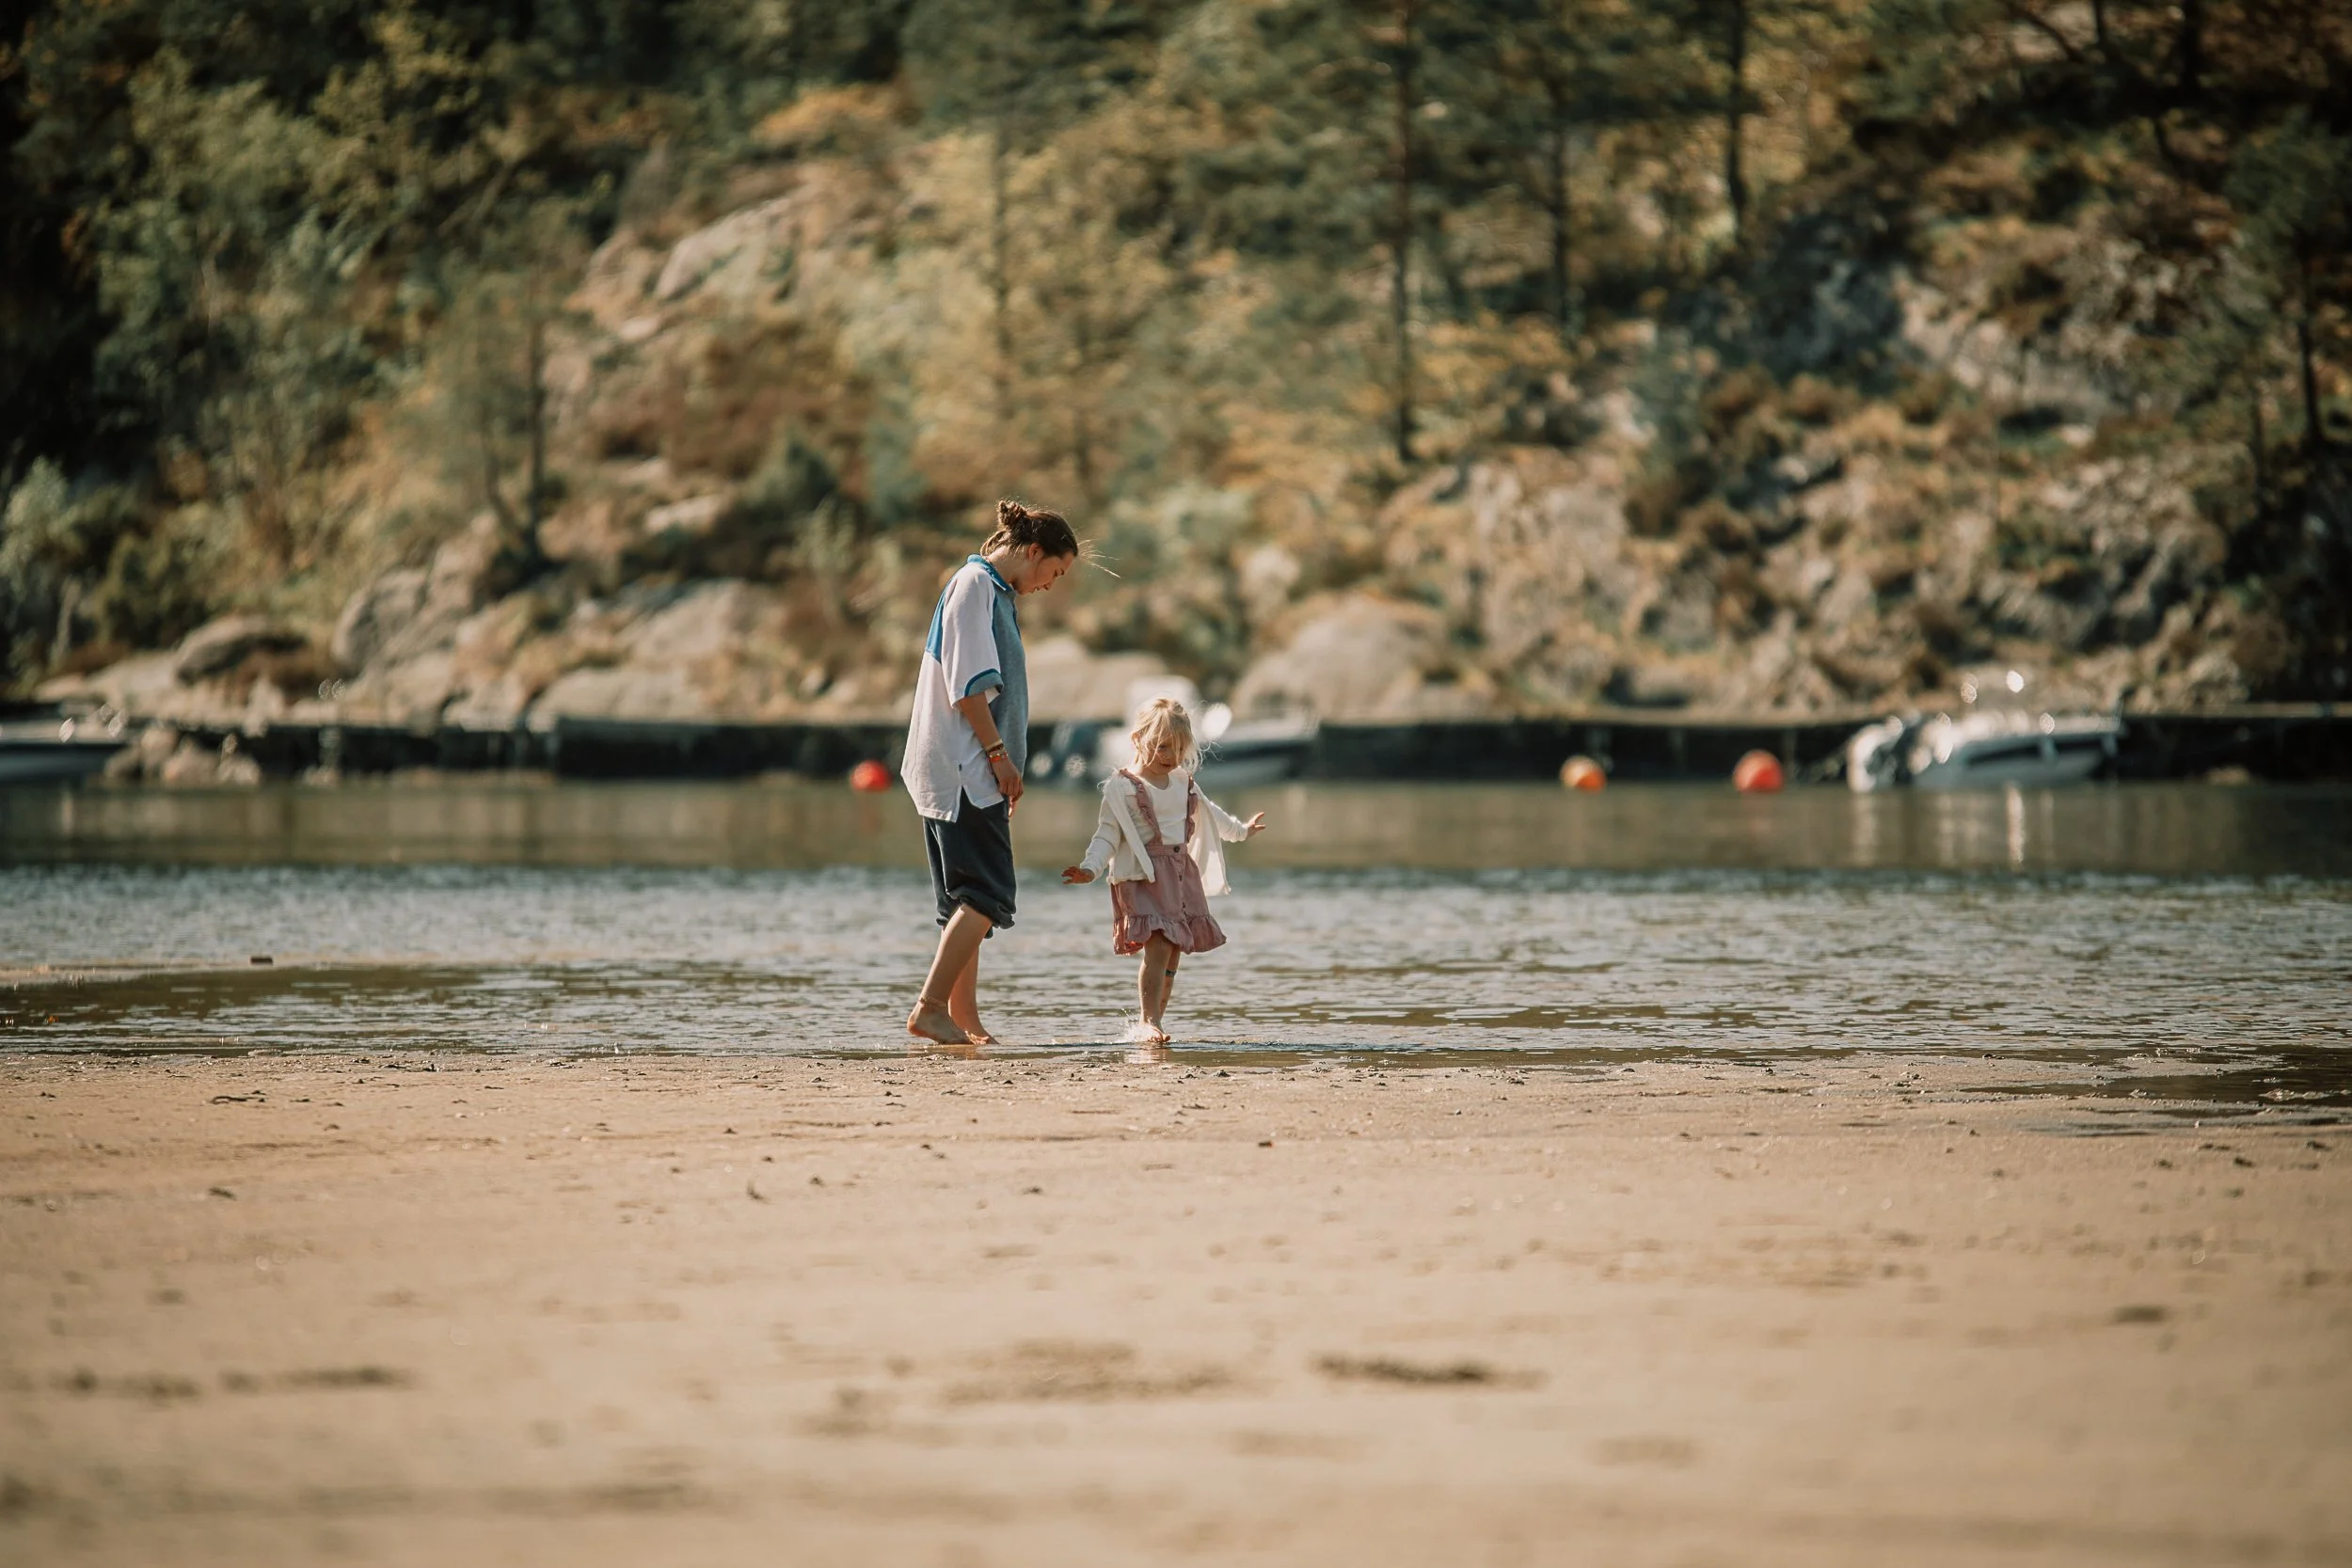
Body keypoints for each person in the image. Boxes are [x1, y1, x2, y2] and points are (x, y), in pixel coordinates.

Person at [904, 499, 1078, 1047]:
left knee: (964, 903)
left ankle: (964, 1022)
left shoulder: (992, 592)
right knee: (988, 895)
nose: (1050, 585)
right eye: (1055, 572)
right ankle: (930, 1007)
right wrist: (1000, 759)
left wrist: (1004, 764)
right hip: (966, 768)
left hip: (959, 768)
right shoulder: (976, 585)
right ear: (1034, 552)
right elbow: (969, 688)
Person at [1062, 698, 1267, 1044]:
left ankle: (1155, 1021)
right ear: (1138, 739)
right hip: (1145, 877)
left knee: (1172, 953)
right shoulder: (1123, 787)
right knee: (1157, 947)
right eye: (1161, 747)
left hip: (1181, 876)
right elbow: (1107, 835)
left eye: (1178, 748)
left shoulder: (1183, 782)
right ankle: (1149, 1021)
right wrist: (1089, 868)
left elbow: (1212, 815)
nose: (1171, 755)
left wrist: (1242, 831)